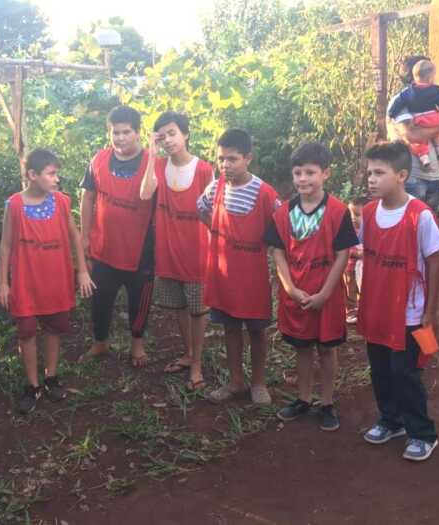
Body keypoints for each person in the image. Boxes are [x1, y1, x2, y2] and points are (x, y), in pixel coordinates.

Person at [357, 141, 439, 462]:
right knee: (379, 370)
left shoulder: (418, 216)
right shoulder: (368, 213)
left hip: (408, 314)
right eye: (369, 173)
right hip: (377, 310)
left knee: (405, 373)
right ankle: (390, 421)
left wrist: (429, 313)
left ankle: (422, 432)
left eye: (379, 173)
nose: (371, 179)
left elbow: (435, 264)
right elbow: (363, 257)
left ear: (402, 175)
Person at [265, 142, 359, 431]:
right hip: (296, 295)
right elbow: (277, 251)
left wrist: (326, 293)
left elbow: (343, 254)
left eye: (310, 172)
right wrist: (291, 289)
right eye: (297, 173)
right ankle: (303, 399)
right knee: (302, 349)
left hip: (327, 296)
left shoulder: (338, 211)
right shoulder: (282, 214)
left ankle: (327, 402)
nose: (303, 179)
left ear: (325, 173)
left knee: (327, 350)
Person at [0, 149, 95, 414]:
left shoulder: (62, 202)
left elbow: (75, 237)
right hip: (26, 283)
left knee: (55, 328)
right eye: (51, 174)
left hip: (57, 280)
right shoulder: (14, 204)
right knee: (27, 331)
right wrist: (3, 282)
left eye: (56, 173)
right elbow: (5, 245)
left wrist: (82, 270)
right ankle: (33, 385)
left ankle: (51, 377)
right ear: (32, 175)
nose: (56, 179)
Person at [197, 128, 280, 405]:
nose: (225, 165)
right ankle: (235, 380)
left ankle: (258, 383)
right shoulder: (216, 187)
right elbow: (202, 209)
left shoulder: (266, 193)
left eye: (232, 159)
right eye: (221, 159)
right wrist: (218, 233)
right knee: (229, 328)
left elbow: (280, 228)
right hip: (223, 274)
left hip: (253, 277)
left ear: (248, 159)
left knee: (256, 330)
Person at [139, 112, 214, 390]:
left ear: (186, 134)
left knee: (197, 310)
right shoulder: (158, 166)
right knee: (179, 306)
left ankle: (196, 365)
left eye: (172, 133)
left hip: (197, 251)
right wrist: (150, 153)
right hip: (168, 251)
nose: (168, 140)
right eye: (162, 135)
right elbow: (145, 194)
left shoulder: (204, 169)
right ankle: (189, 353)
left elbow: (214, 210)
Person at [79, 106, 155, 367]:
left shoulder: (152, 162)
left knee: (139, 301)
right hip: (104, 247)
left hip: (141, 249)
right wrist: (84, 236)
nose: (120, 138)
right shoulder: (98, 160)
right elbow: (87, 196)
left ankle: (137, 345)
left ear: (137, 132)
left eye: (126, 132)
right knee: (100, 300)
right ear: (108, 132)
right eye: (115, 132)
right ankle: (100, 342)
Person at [388, 55, 439, 210]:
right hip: (412, 176)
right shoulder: (402, 101)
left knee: (429, 222)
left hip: (432, 174)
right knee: (412, 224)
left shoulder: (428, 99)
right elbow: (412, 135)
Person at [387, 59, 439, 169]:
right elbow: (412, 136)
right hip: (413, 174)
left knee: (423, 141)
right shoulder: (403, 98)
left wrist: (391, 114)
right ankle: (436, 152)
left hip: (432, 175)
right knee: (421, 141)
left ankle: (427, 157)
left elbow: (393, 111)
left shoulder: (406, 95)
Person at [344, 196, 367, 324]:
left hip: (364, 267)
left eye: (357, 215)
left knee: (363, 288)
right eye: (350, 214)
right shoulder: (348, 230)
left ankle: (362, 310)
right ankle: (351, 311)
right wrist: (356, 253)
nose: (353, 218)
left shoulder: (368, 230)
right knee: (350, 289)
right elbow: (345, 248)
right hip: (350, 267)